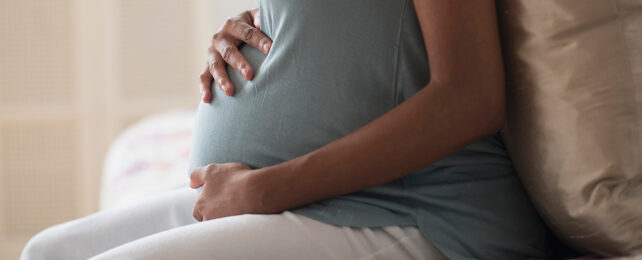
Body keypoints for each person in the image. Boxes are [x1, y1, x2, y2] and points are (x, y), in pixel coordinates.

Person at [21, 0, 551, 259]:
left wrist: (266, 189)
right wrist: (245, 31)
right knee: (46, 253)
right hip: (304, 197)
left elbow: (470, 95)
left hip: (413, 210)